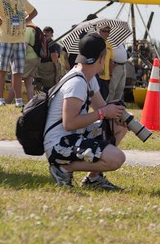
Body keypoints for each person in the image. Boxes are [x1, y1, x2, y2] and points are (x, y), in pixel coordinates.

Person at [44, 32, 128, 189]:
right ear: (102, 59)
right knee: (117, 159)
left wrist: (116, 111)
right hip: (59, 145)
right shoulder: (77, 83)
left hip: (72, 137)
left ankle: (93, 179)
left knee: (118, 125)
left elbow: (101, 108)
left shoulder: (87, 77)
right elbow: (69, 123)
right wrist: (103, 113)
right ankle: (62, 168)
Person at [37, 26, 61, 91]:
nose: (45, 34)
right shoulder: (39, 44)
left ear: (51, 34)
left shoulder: (55, 45)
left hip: (50, 68)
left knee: (51, 87)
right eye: (44, 32)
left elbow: (55, 58)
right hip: (40, 67)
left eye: (48, 32)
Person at [106, 34, 127, 103]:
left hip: (123, 66)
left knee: (120, 88)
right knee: (112, 89)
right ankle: (108, 105)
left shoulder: (121, 43)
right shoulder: (110, 42)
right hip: (116, 66)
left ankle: (116, 105)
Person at [96, 26, 114, 100]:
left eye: (108, 31)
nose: (107, 33)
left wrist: (111, 74)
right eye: (104, 31)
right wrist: (97, 69)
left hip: (106, 76)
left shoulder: (109, 45)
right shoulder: (95, 43)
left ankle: (103, 111)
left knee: (105, 97)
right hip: (97, 75)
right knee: (97, 97)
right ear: (99, 32)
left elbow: (110, 60)